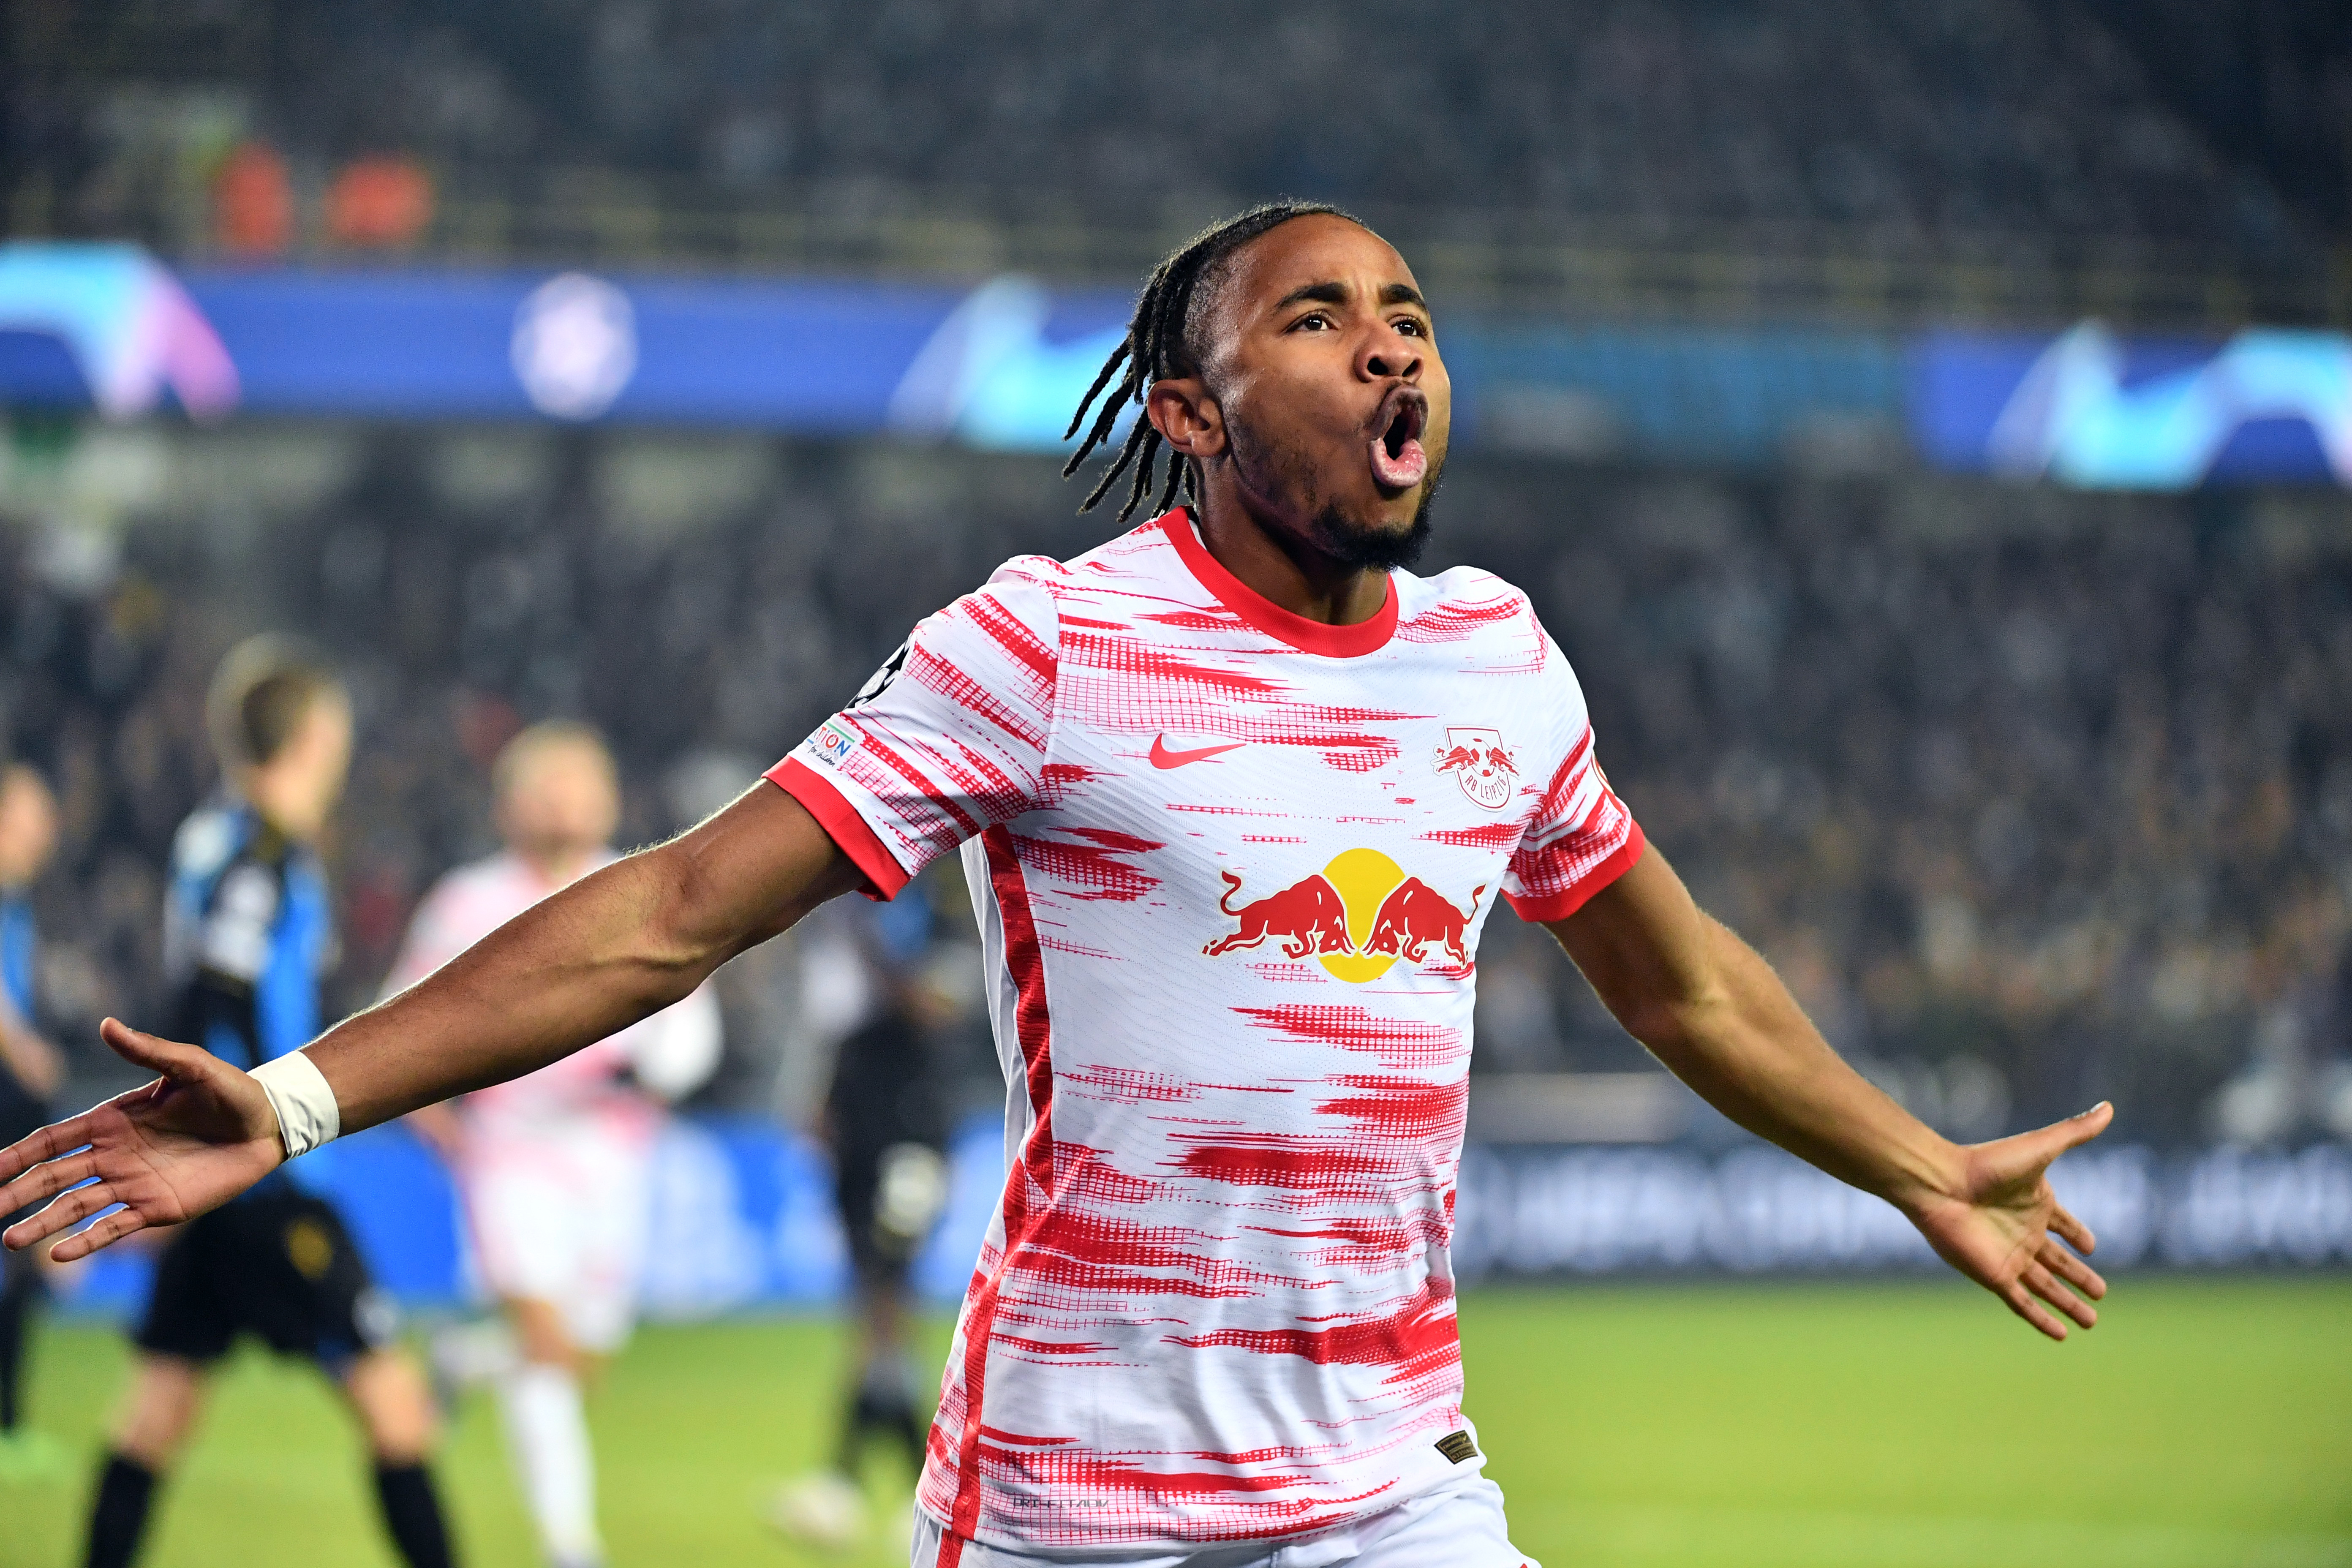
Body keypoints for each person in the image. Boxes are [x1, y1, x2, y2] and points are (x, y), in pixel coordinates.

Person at [1, 206, 2114, 1568]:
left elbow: (1685, 992)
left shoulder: (1499, 659)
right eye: (1319, 319)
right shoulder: (1043, 647)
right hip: (1069, 1509)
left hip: (1392, 1496)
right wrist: (292, 1104)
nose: (1392, 354)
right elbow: (668, 910)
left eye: (1409, 317)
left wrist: (1908, 1159)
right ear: (1191, 409)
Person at [69, 637, 456, 1568]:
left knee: (156, 1409)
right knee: (398, 1404)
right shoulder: (261, 852)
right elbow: (216, 994)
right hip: (260, 1173)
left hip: (219, 1182)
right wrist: (219, 1126)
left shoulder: (215, 837)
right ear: (316, 735)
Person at [382, 721, 720, 1568]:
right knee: (544, 1344)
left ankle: (461, 1357)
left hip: (615, 1155)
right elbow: (398, 1025)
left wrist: (668, 1065)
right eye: (549, 783)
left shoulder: (643, 884)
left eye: (582, 781)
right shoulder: (467, 902)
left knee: (583, 1354)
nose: (567, 798)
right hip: (513, 1150)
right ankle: (571, 1543)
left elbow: (691, 1028)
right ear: (509, 804)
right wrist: (445, 1128)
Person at [770, 896, 956, 1550]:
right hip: (854, 1123)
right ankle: (881, 1486)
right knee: (874, 1309)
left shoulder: (922, 912)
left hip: (911, 1131)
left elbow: (933, 1005)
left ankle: (861, 1480)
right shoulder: (833, 922)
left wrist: (874, 944)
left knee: (886, 1303)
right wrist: (820, 1100)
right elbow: (826, 1020)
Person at [0, 763, 65, 1479]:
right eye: (30, 817)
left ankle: (11, 1424)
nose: (43, 834)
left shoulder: (17, 905)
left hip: (12, 1097)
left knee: (24, 1265)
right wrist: (24, 1051)